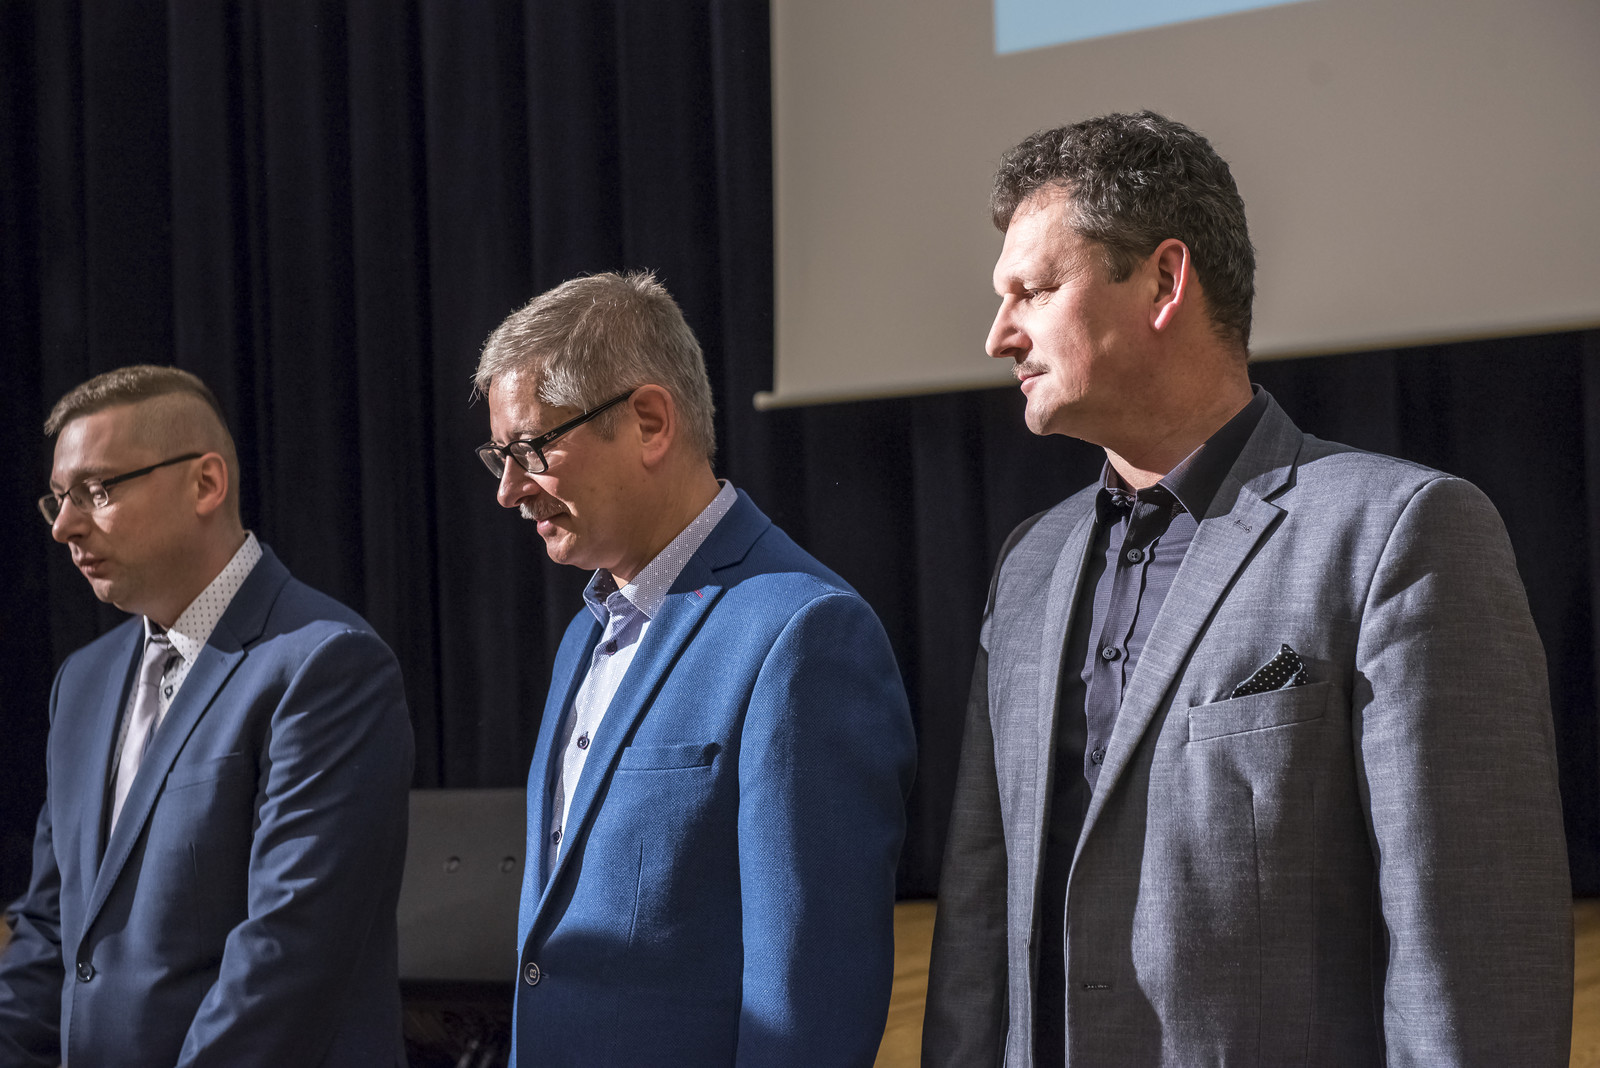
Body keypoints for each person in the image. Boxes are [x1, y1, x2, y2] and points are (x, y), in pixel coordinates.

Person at [922, 112, 1572, 1066]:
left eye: (1036, 290)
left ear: (1164, 281)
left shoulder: (1399, 533)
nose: (997, 336)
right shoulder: (1029, 563)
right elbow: (979, 925)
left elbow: (1471, 949)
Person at [475, 270, 916, 1065]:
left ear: (649, 422)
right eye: (499, 456)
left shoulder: (802, 633)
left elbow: (807, 1007)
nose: (510, 490)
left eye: (532, 448)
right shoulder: (583, 637)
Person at [0, 366, 414, 1067]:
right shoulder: (82, 682)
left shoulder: (326, 664)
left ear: (206, 483)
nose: (65, 526)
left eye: (97, 490)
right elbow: (50, 931)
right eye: (59, 499)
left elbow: (287, 957)